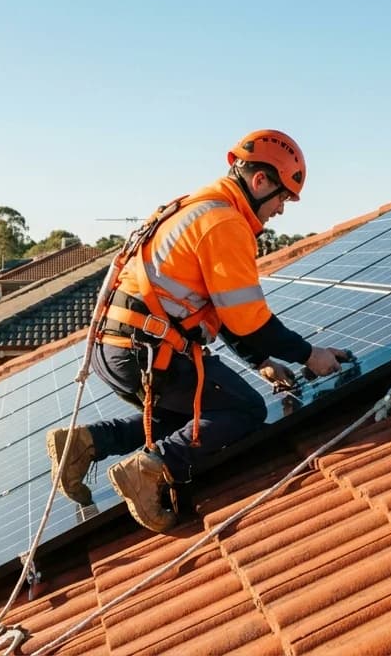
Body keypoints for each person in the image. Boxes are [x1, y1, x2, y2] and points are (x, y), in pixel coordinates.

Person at [46, 129, 350, 533]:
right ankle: (150, 471)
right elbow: (250, 320)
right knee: (243, 410)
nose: (281, 209)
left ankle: (85, 444)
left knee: (197, 419)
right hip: (147, 351)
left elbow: (222, 312)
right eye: (282, 197)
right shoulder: (224, 224)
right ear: (260, 181)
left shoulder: (197, 206)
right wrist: (312, 355)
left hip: (119, 347)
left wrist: (261, 361)